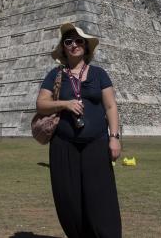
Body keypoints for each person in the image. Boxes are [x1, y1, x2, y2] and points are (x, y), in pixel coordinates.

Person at [36, 22, 122, 238]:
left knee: (101, 199)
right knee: (68, 201)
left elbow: (111, 106)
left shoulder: (99, 74)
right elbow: (41, 104)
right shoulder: (55, 75)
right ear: (63, 48)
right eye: (68, 41)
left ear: (86, 46)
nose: (74, 45)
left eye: (79, 41)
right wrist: (64, 104)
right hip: (64, 145)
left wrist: (114, 137)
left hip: (96, 143)